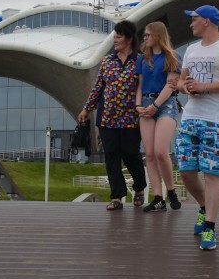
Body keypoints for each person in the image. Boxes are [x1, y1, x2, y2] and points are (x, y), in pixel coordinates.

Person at [176, 5, 219, 250]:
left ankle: (210, 227)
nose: (190, 23)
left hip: (217, 119)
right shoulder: (191, 50)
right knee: (186, 171)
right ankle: (205, 206)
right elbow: (180, 81)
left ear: (206, 21)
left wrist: (205, 87)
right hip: (191, 116)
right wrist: (186, 88)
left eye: (193, 19)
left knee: (212, 173)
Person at [78, 20, 147, 211]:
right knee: (111, 156)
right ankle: (117, 196)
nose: (115, 40)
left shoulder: (141, 60)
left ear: (129, 38)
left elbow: (149, 87)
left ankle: (140, 187)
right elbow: (98, 87)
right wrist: (86, 108)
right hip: (108, 117)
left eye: (118, 36)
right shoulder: (107, 61)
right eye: (114, 37)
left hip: (131, 118)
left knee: (131, 153)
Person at [135, 21, 182, 212]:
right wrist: (138, 106)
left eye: (147, 35)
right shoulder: (142, 59)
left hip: (165, 104)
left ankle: (170, 191)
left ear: (157, 35)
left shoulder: (173, 57)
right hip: (146, 105)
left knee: (161, 151)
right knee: (150, 154)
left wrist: (155, 106)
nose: (144, 38)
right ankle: (158, 197)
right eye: (144, 36)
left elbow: (171, 85)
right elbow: (139, 84)